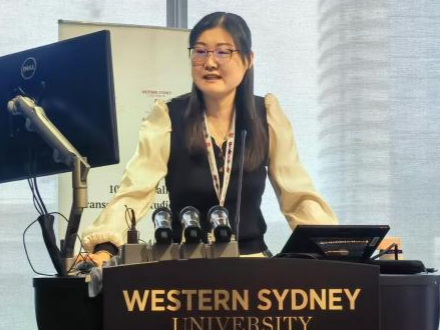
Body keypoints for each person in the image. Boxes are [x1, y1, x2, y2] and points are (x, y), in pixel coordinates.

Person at [81, 11, 337, 265]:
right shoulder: (167, 117)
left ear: (248, 59)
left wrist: (334, 245)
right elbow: (135, 189)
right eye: (201, 51)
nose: (210, 62)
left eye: (223, 52)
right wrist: (105, 246)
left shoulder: (267, 115)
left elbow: (297, 193)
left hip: (252, 264)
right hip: (186, 265)